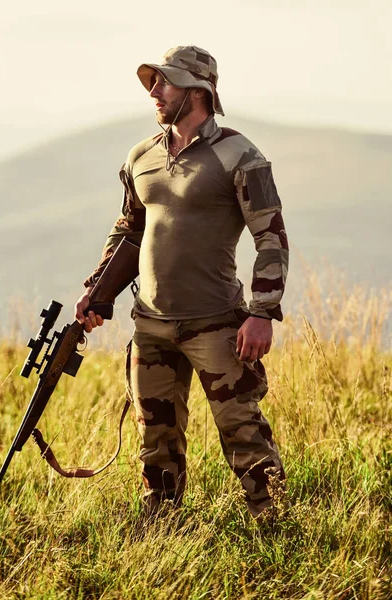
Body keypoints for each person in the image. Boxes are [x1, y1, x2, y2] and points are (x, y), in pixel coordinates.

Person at [75, 45, 289, 519]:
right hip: (150, 325)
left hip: (216, 324)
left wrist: (261, 312)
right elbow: (129, 230)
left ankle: (275, 524)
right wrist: (99, 290)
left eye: (164, 81)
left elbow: (271, 238)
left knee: (242, 430)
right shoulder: (141, 156)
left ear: (198, 90)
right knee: (155, 435)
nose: (153, 90)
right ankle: (163, 525)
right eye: (151, 81)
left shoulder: (239, 155)